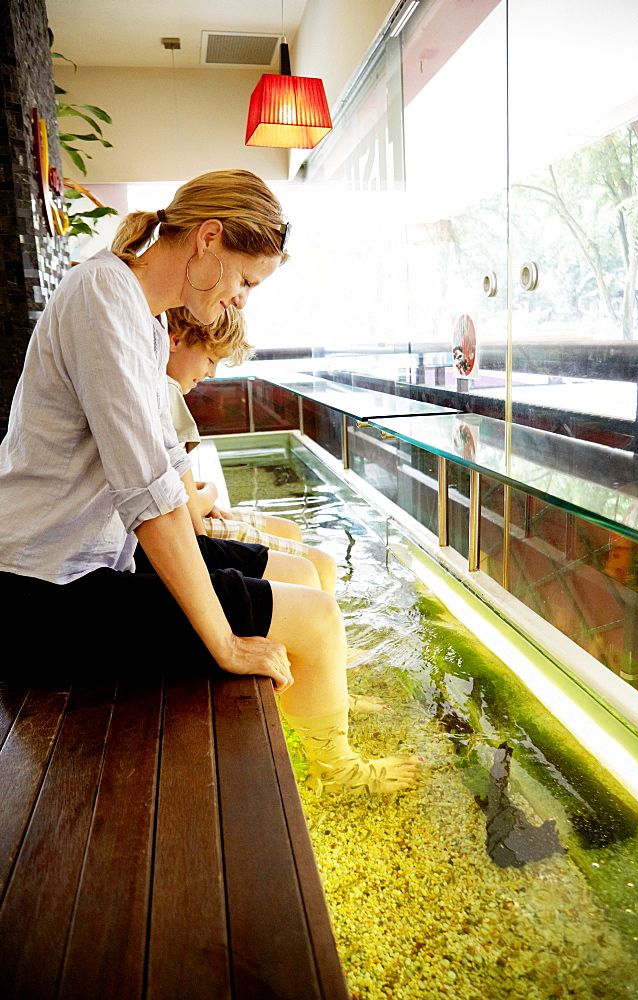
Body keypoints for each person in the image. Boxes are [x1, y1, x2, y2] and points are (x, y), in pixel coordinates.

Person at [0, 169, 418, 794]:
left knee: (304, 580)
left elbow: (167, 475)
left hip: (92, 569)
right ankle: (336, 773)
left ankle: (316, 715)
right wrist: (223, 640)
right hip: (40, 597)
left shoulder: (142, 317)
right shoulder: (104, 297)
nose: (242, 300)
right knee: (316, 617)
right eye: (245, 281)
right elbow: (150, 495)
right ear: (209, 240)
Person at [163, 304, 338, 595]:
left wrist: (202, 497)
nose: (211, 373)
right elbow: (192, 512)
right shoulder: (166, 392)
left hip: (188, 525)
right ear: (176, 339)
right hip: (191, 537)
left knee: (292, 532)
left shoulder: (158, 387)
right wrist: (212, 491)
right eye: (210, 359)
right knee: (321, 565)